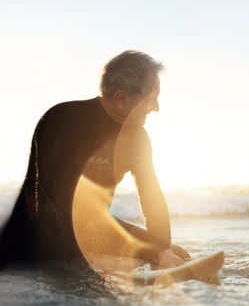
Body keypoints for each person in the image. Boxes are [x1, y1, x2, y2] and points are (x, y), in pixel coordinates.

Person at [0, 50, 190, 270]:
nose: (156, 108)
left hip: (94, 230)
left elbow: (152, 199)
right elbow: (52, 198)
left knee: (174, 252)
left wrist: (163, 250)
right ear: (121, 99)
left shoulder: (138, 138)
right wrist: (77, 256)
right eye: (151, 99)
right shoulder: (62, 119)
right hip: (40, 233)